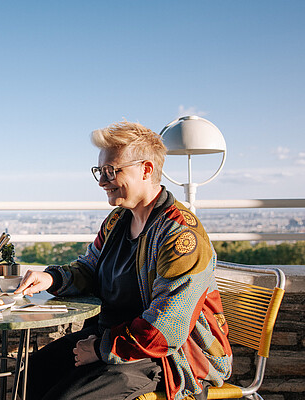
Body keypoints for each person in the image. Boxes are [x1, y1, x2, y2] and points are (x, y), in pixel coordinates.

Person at [15, 121, 232, 400]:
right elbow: (90, 268)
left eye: (111, 171)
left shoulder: (181, 238)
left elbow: (166, 330)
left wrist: (97, 349)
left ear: (146, 169)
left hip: (169, 359)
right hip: (115, 338)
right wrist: (52, 278)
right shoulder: (118, 220)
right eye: (100, 171)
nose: (102, 182)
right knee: (34, 373)